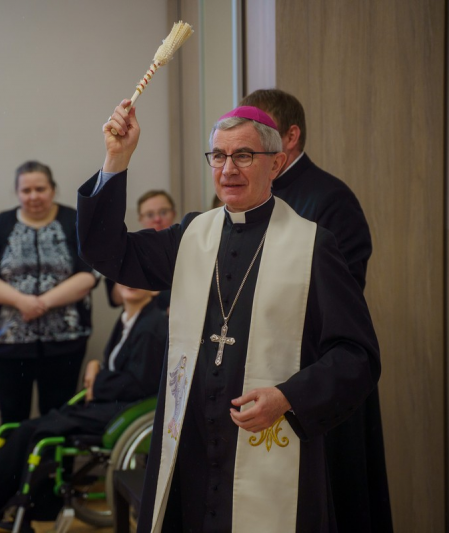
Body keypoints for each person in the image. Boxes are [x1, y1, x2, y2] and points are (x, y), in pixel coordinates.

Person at [76, 102, 381, 532]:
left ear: (276, 164)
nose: (228, 169)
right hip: (192, 443)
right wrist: (117, 158)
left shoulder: (312, 247)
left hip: (269, 447)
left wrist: (288, 397)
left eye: (244, 155)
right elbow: (106, 250)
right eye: (218, 156)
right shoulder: (190, 237)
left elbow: (357, 356)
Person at [241, 88, 392, 532]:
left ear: (290, 137)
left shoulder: (330, 199)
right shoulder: (254, 196)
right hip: (263, 371)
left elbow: (340, 301)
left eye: (259, 134)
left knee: (326, 508)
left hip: (315, 380)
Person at [0, 283, 167, 533]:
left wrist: (97, 381)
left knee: (34, 433)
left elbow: (140, 383)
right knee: (21, 431)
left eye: (141, 279)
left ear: (155, 288)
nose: (131, 283)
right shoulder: (128, 321)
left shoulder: (152, 326)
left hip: (121, 413)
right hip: (105, 405)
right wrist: (94, 367)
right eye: (126, 277)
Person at [0, 160, 97, 425]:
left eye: (40, 189)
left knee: (58, 417)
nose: (33, 196)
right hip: (9, 343)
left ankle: (52, 456)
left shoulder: (73, 220)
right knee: (12, 416)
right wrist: (21, 302)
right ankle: (14, 456)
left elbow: (90, 273)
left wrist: (41, 303)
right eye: (26, 190)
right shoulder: (2, 223)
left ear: (53, 189)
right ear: (17, 192)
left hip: (65, 342)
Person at [107, 189, 177, 311]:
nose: (157, 219)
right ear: (140, 219)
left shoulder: (187, 247)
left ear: (174, 214)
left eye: (163, 212)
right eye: (150, 215)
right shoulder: (129, 251)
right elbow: (115, 299)